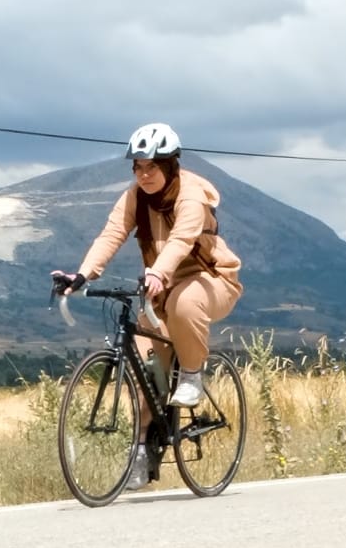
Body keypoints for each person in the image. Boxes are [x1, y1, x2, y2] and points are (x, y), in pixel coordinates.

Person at [54, 122, 243, 489]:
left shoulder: (192, 195)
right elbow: (111, 234)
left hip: (211, 280)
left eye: (151, 166)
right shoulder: (135, 197)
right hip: (161, 289)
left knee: (186, 304)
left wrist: (158, 271)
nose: (144, 174)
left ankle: (192, 374)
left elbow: (182, 239)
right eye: (138, 167)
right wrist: (82, 275)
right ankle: (141, 449)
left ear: (170, 165)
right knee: (142, 367)